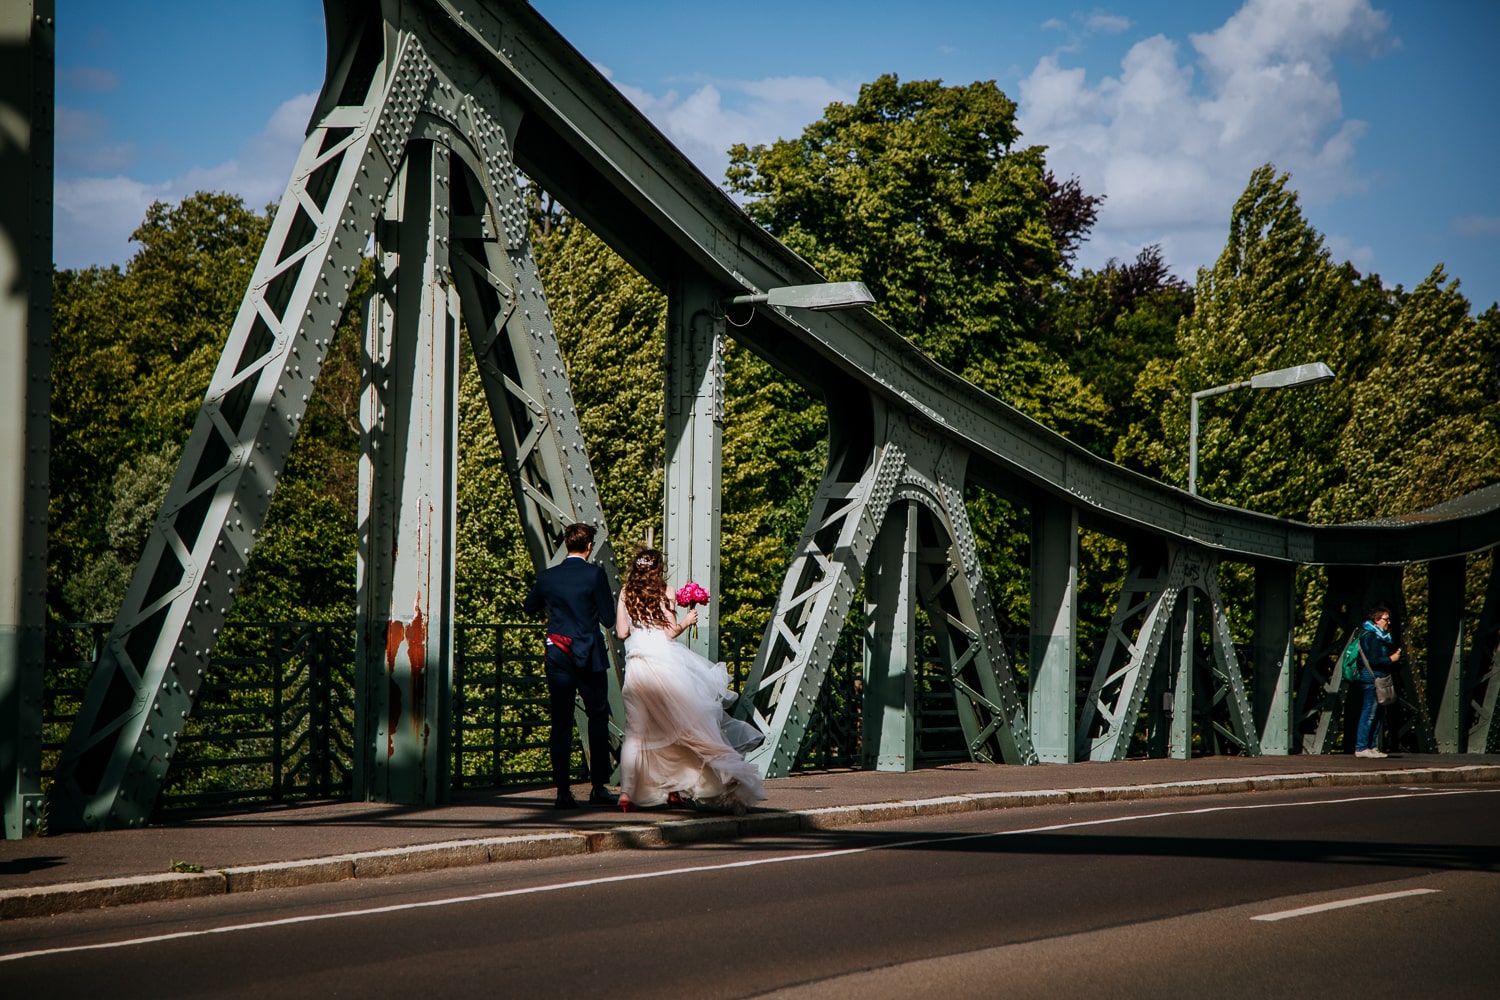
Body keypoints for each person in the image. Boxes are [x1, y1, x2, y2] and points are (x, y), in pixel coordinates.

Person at [614, 549, 766, 813]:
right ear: (658, 569)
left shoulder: (626, 592)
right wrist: (686, 620)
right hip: (664, 666)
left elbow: (621, 631)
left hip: (637, 667)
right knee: (680, 730)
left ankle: (627, 794)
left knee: (636, 733)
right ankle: (701, 781)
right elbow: (670, 633)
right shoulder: (666, 591)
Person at [523, 522, 618, 809]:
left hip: (558, 655)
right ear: (589, 547)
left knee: (561, 722)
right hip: (588, 656)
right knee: (598, 718)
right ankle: (598, 787)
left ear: (566, 545)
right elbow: (608, 619)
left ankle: (563, 791)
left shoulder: (548, 577)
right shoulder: (594, 575)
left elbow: (529, 606)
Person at [1354, 604, 1401, 759]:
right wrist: (1391, 659)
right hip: (1371, 679)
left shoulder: (1380, 637)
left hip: (1377, 678)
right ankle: (1362, 747)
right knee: (1370, 712)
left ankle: (1371, 746)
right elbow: (1374, 660)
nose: (1388, 623)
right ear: (1376, 620)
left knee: (1378, 713)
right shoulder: (1371, 637)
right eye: (1385, 620)